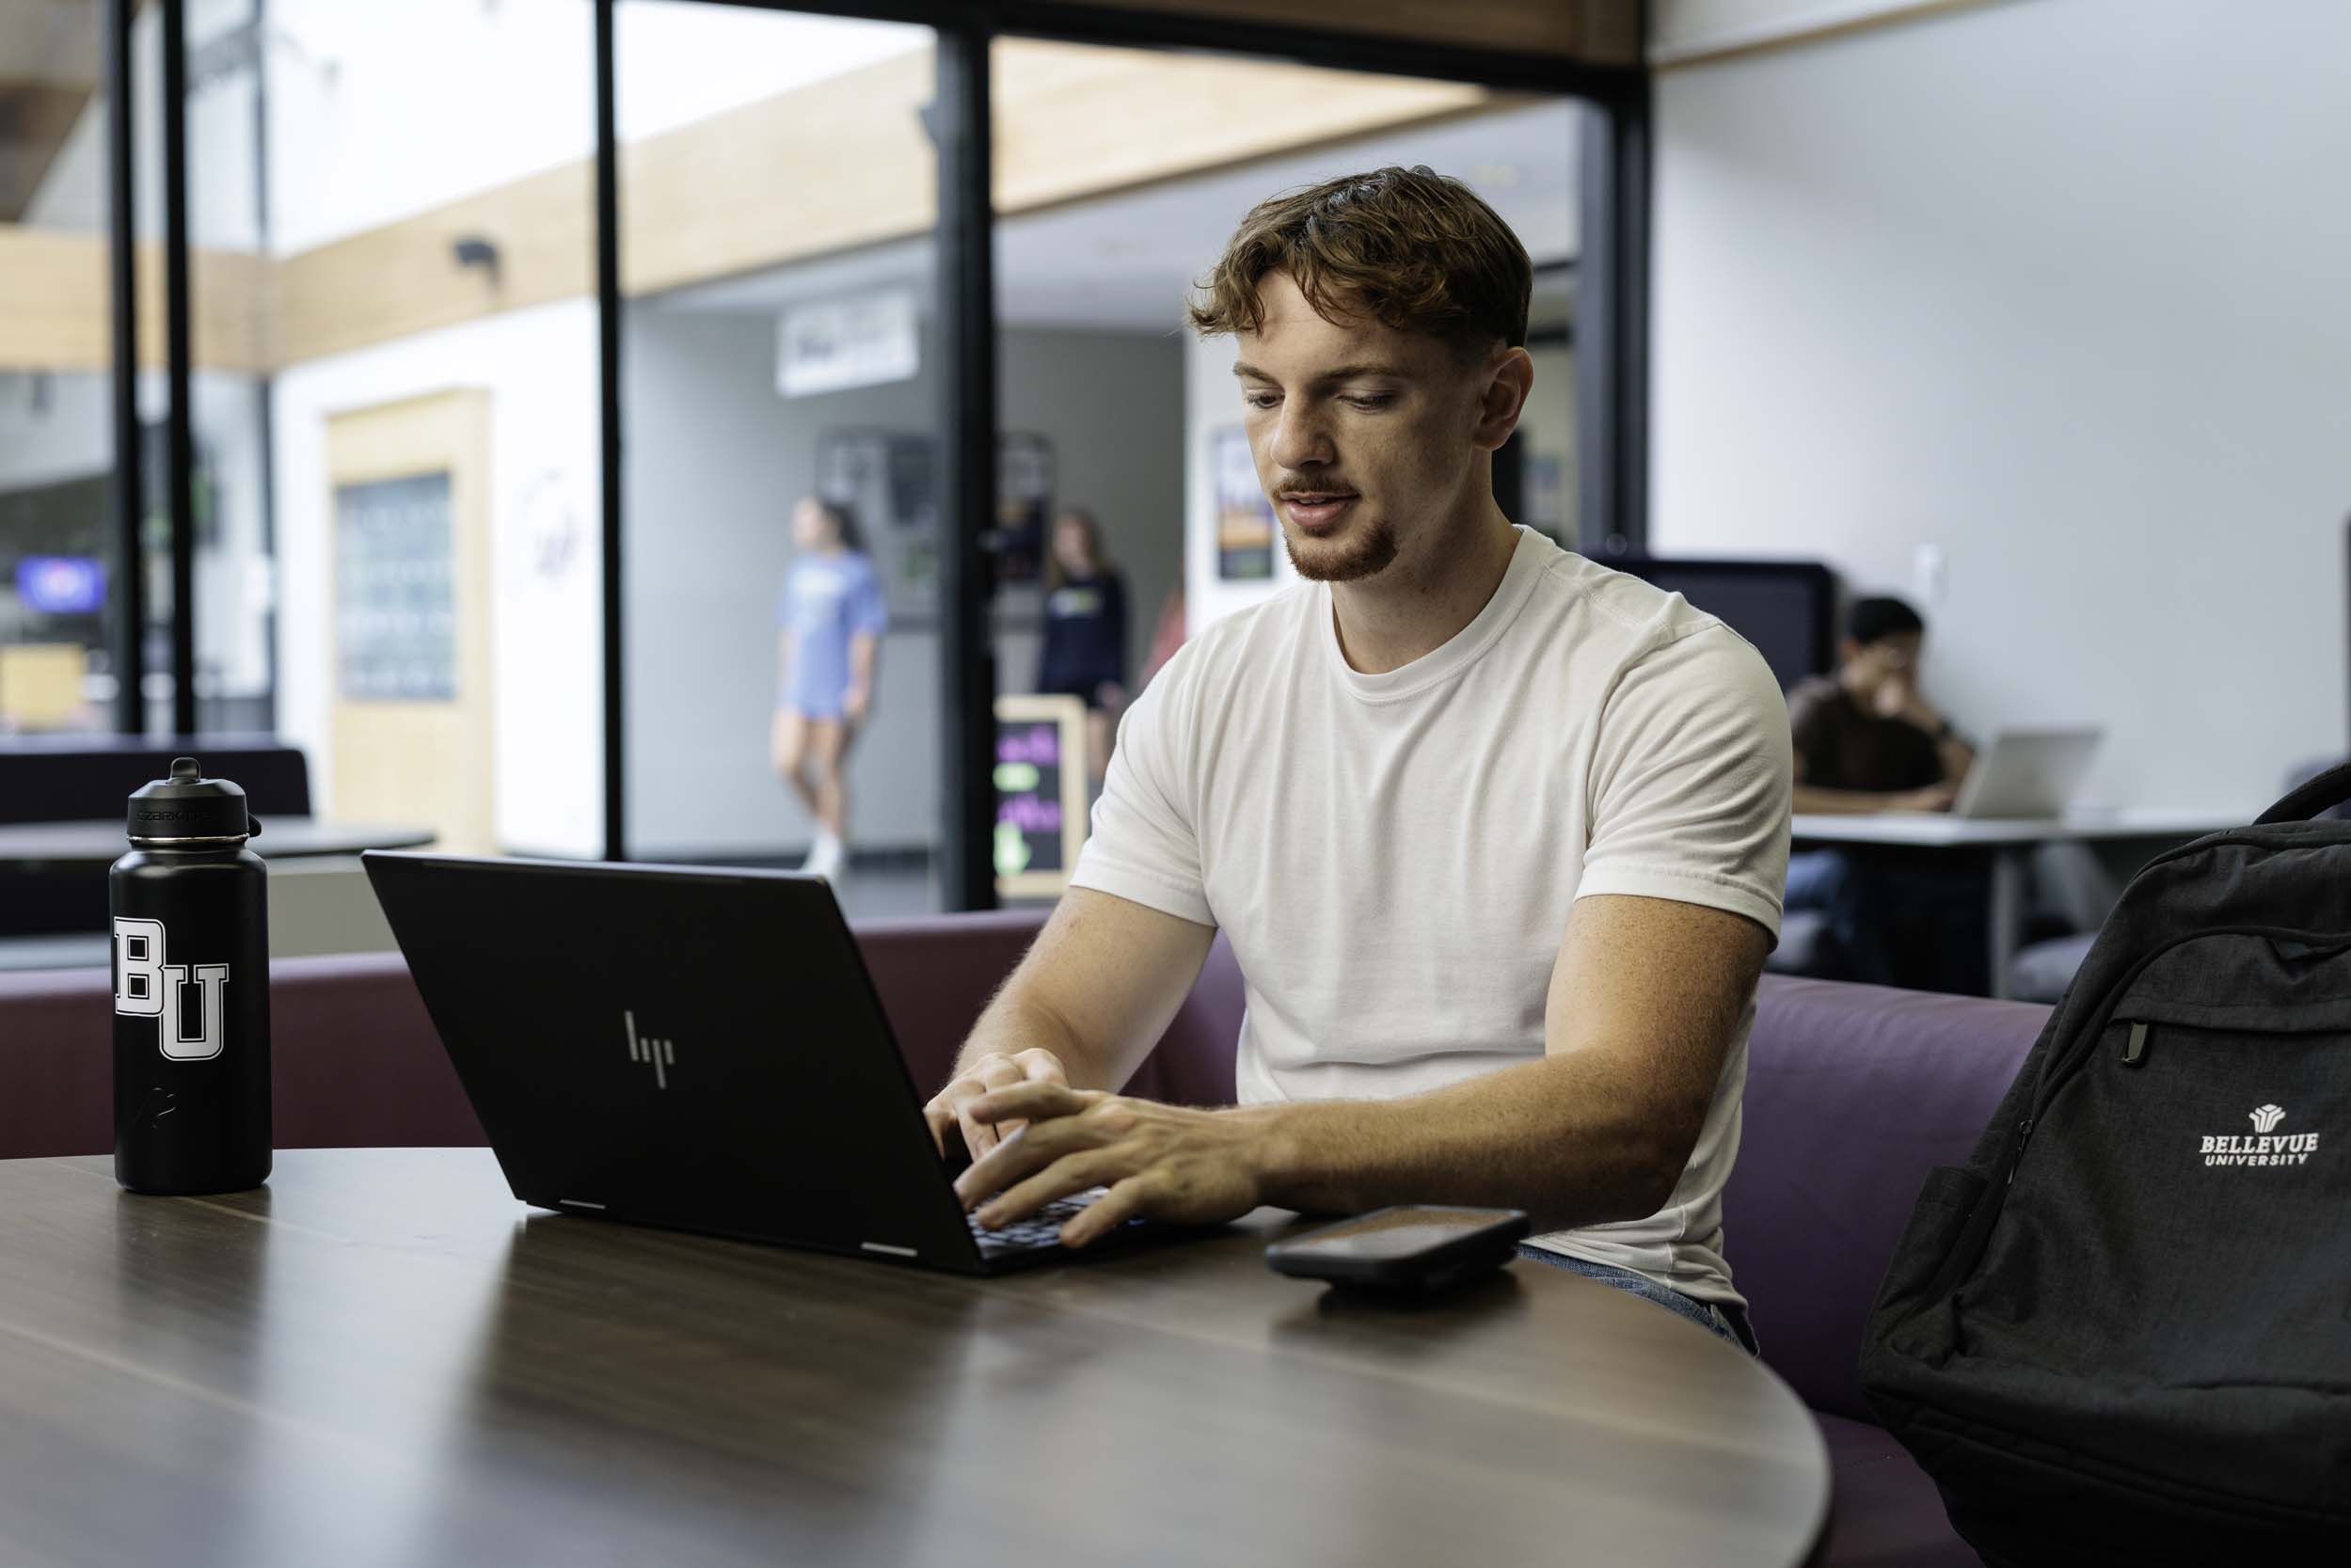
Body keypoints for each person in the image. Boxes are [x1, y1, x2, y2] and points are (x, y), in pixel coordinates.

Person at [921, 166, 1791, 1353]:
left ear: (1496, 400)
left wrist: (1247, 1148)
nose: (1293, 449)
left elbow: (1623, 1121)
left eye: (1361, 395)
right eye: (1262, 395)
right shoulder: (1208, 689)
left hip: (1586, 1273)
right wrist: (1005, 1090)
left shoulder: (1671, 681)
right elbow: (1068, 1005)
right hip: (1275, 1262)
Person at [1784, 596, 1988, 992]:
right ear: (1853, 651)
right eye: (1896, 653)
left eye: (1916, 653)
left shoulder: (1907, 716)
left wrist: (1931, 721)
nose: (1908, 666)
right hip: (1805, 864)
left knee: (1968, 883)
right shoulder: (1817, 706)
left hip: (1884, 863)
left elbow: (1973, 786)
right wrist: (1895, 805)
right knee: (1846, 875)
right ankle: (1888, 1008)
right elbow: (1784, 796)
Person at [771, 496, 887, 880]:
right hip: (800, 687)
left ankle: (831, 849)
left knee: (828, 767)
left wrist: (860, 686)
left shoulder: (857, 571)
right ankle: (830, 831)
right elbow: (789, 630)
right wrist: (787, 681)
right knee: (787, 761)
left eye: (807, 519)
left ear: (830, 523)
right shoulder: (798, 571)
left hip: (835, 685)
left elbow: (865, 633)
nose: (800, 528)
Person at [1034, 508, 1128, 787]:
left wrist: (1114, 680)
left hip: (1094, 686)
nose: (1069, 544)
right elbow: (1049, 643)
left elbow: (1118, 634)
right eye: (1062, 538)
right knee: (1061, 766)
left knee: (1099, 764)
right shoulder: (1055, 587)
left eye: (1074, 536)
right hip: (1057, 685)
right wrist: (1039, 688)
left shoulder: (1108, 583)